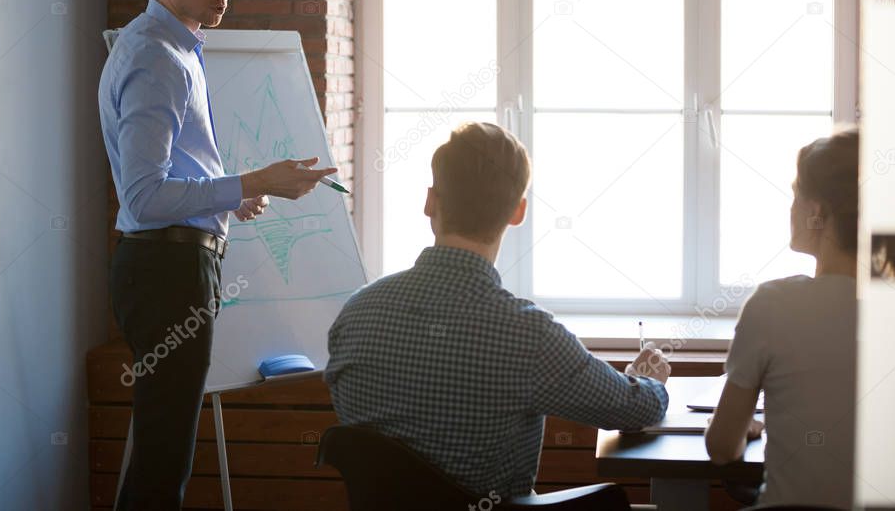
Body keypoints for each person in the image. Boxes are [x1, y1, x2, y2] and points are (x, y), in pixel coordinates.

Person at [98, 0, 337, 510]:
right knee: (164, 451)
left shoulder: (174, 46)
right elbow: (145, 196)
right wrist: (254, 180)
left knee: (164, 445)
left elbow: (171, 175)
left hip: (169, 265)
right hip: (166, 271)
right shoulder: (157, 57)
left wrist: (235, 194)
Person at [325, 122, 670, 499]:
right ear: (518, 212)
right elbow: (633, 410)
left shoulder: (356, 313)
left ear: (430, 201)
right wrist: (647, 381)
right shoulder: (528, 334)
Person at [705, 128, 891, 509]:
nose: (791, 209)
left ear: (816, 211)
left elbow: (722, 447)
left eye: (795, 195)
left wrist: (747, 430)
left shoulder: (772, 303)